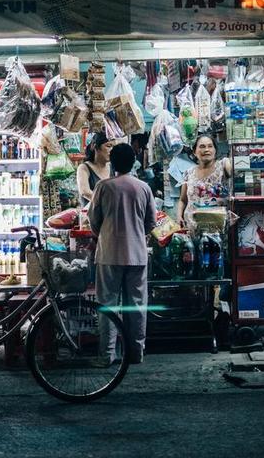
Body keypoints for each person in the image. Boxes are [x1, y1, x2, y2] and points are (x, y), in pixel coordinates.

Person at [89, 143, 157, 365]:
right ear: (133, 161)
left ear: (113, 162)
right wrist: (136, 234)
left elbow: (93, 220)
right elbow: (151, 222)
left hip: (109, 253)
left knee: (107, 305)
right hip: (136, 253)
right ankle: (136, 353)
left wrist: (104, 234)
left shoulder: (103, 187)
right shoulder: (143, 188)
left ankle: (107, 354)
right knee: (136, 306)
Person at [176, 134, 231, 233]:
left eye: (210, 146)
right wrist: (179, 216)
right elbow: (183, 200)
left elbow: (234, 171)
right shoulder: (189, 173)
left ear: (215, 150)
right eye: (202, 146)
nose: (206, 150)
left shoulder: (223, 165)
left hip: (218, 230)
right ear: (194, 151)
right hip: (193, 229)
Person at [76, 132, 113, 206]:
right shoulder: (84, 168)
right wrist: (106, 203)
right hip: (91, 212)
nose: (111, 150)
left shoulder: (113, 167)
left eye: (113, 147)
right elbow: (84, 191)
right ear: (94, 146)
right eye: (108, 146)